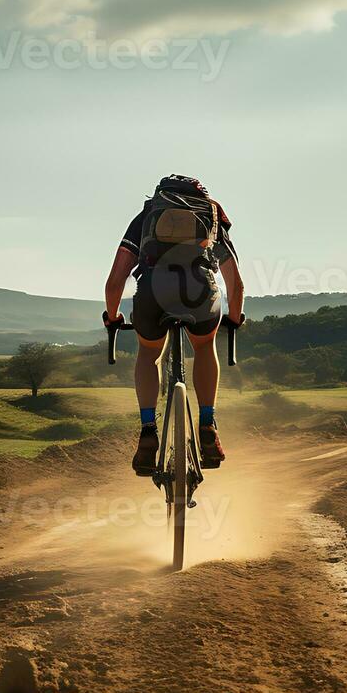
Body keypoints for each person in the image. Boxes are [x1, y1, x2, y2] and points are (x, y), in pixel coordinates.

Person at [103, 175, 245, 474]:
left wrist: (113, 317)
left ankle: (147, 432)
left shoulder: (147, 216)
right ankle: (207, 425)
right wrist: (234, 318)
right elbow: (237, 285)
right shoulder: (212, 215)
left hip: (153, 294)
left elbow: (115, 282)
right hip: (200, 292)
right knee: (205, 346)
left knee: (149, 353)